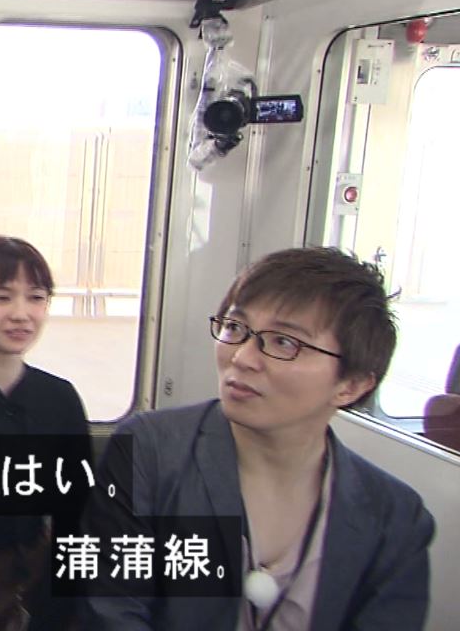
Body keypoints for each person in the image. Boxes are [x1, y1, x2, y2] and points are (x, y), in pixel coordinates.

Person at [85, 246, 435, 630]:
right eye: (235, 329)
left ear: (351, 385)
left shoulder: (394, 518)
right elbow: (111, 610)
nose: (242, 357)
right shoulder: (151, 450)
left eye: (284, 342)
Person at [0, 236, 90, 631]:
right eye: (2, 297)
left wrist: (63, 605)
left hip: (35, 577)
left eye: (36, 298)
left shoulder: (60, 399)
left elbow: (74, 517)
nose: (22, 314)